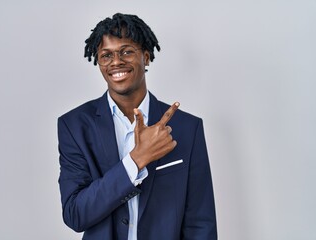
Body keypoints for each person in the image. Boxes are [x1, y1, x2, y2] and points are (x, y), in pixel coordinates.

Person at [58, 13, 217, 240]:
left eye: (126, 51)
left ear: (146, 56)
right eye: (106, 55)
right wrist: (136, 160)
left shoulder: (186, 127)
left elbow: (201, 223)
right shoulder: (74, 126)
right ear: (98, 62)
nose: (116, 62)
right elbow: (75, 214)